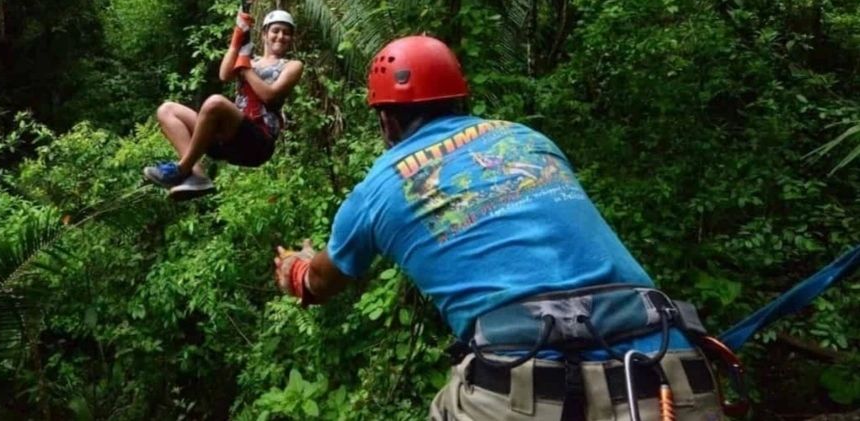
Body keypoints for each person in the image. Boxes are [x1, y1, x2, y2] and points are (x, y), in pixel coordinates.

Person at [274, 35, 726, 420]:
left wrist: (296, 269)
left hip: (520, 385)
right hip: (666, 370)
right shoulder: (528, 139)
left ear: (386, 121)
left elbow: (320, 280)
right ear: (460, 99)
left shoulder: (381, 186)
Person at [144, 9, 303, 201]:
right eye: (275, 30)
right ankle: (197, 175)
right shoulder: (250, 60)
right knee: (167, 110)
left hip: (258, 142)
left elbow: (270, 96)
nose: (280, 36)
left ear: (291, 39)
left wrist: (245, 68)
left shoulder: (292, 66)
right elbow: (224, 74)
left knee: (215, 103)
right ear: (264, 34)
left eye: (286, 33)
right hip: (230, 138)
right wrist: (238, 37)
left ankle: (181, 169)